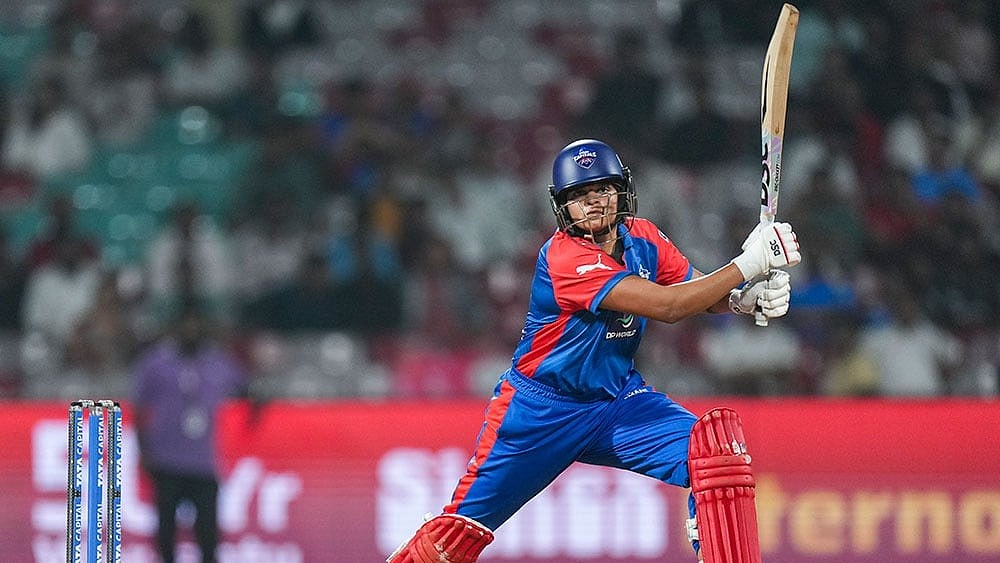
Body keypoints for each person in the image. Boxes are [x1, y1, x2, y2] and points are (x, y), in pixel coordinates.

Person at [387, 139, 802, 563]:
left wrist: (740, 300)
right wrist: (746, 264)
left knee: (715, 452)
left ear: (622, 191)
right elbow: (670, 306)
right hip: (540, 411)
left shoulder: (644, 236)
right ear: (562, 206)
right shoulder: (564, 258)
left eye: (602, 189)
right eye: (579, 195)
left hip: (617, 402)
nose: (593, 202)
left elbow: (694, 289)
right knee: (452, 539)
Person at [133, 302, 247, 563]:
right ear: (175, 328)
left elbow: (246, 389)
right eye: (186, 325)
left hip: (203, 462)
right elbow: (139, 410)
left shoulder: (218, 362)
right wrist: (144, 450)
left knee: (208, 533)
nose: (191, 330)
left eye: (196, 325)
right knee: (165, 530)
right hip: (166, 459)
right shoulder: (155, 363)